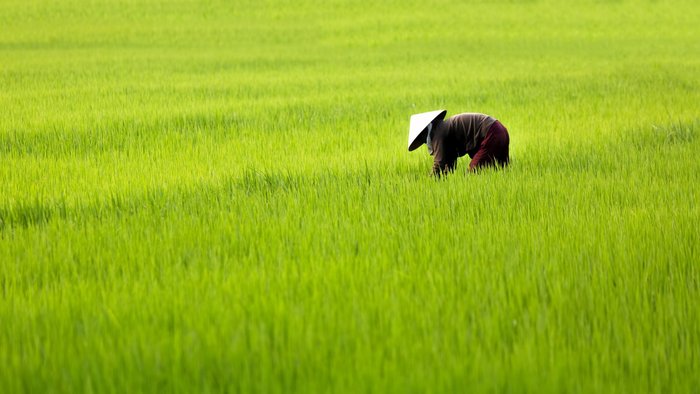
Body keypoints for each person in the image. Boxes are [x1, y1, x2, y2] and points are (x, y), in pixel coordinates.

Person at [407, 110, 510, 176]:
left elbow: (440, 165)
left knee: (471, 177)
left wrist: (428, 184)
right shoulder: (443, 128)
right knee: (502, 172)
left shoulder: (439, 133)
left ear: (424, 132)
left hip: (491, 134)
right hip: (500, 130)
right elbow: (449, 163)